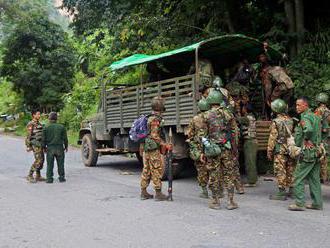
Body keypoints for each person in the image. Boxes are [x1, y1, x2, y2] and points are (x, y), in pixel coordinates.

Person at [201, 90, 239, 210]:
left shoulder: (205, 115)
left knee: (214, 174)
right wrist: (234, 148)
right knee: (229, 174)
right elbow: (235, 132)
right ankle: (231, 202)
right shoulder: (228, 114)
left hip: (213, 150)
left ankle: (215, 202)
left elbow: (202, 136)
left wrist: (203, 151)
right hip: (226, 148)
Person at [288, 97, 324, 211]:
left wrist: (306, 139)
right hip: (317, 151)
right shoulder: (316, 116)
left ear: (305, 106)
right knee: (314, 179)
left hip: (308, 152)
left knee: (298, 177)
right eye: (296, 105)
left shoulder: (306, 117)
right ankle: (317, 203)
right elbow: (324, 131)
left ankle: (299, 203)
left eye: (299, 105)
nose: (297, 107)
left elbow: (308, 130)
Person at [140, 96, 172, 201]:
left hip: (147, 148)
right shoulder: (155, 119)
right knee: (156, 169)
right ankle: (158, 194)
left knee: (147, 170)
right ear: (161, 107)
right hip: (153, 149)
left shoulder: (149, 117)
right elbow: (155, 136)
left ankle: (143, 192)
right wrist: (165, 144)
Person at [267, 99, 295, 200]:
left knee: (280, 169)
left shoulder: (276, 121)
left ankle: (281, 192)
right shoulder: (292, 120)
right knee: (291, 168)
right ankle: (292, 191)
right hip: (290, 148)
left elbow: (273, 137)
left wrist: (269, 150)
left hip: (280, 149)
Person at [186, 98, 210, 198]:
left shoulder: (195, 119)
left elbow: (190, 134)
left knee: (201, 169)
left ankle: (205, 192)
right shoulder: (212, 116)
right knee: (215, 167)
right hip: (211, 147)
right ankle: (219, 191)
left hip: (199, 148)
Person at [42, 112, 68, 183]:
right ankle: (61, 178)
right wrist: (66, 146)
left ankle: (49, 179)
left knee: (50, 164)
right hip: (59, 148)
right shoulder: (61, 127)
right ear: (57, 118)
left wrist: (44, 148)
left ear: (49, 118)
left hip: (50, 148)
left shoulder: (46, 127)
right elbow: (65, 139)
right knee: (61, 164)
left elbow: (43, 140)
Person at [239, 106, 258, 187]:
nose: (242, 109)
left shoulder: (247, 118)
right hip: (252, 141)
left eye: (243, 108)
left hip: (250, 141)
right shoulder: (252, 117)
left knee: (250, 162)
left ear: (246, 109)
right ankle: (253, 179)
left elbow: (238, 119)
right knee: (251, 161)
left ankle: (251, 181)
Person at [25, 109, 45, 183]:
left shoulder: (39, 124)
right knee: (38, 160)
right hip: (35, 144)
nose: (39, 115)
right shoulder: (31, 124)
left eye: (40, 114)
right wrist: (28, 146)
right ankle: (30, 175)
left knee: (42, 160)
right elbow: (28, 136)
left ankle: (38, 175)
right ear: (34, 115)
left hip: (40, 144)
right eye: (38, 114)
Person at [314, 92, 330, 184]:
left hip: (320, 136)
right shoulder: (328, 111)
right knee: (325, 155)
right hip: (327, 135)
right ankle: (324, 177)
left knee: (319, 155)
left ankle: (318, 177)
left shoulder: (319, 110)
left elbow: (316, 123)